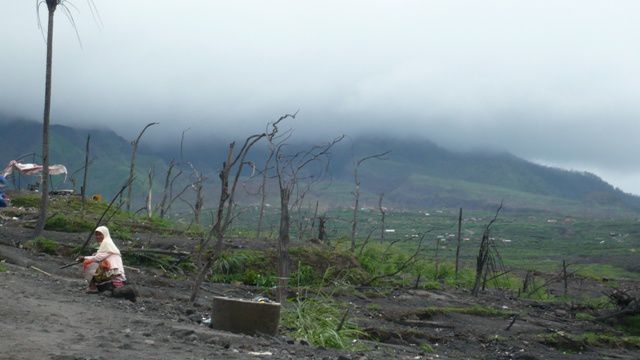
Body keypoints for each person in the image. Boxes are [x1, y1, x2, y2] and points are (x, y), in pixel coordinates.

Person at [77, 226, 127, 294]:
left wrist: (84, 258)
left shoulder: (106, 243)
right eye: (96, 235)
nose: (98, 236)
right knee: (95, 263)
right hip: (117, 274)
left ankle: (93, 287)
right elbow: (100, 256)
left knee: (88, 264)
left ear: (105, 234)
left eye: (100, 234)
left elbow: (98, 258)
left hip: (113, 273)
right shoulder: (109, 244)